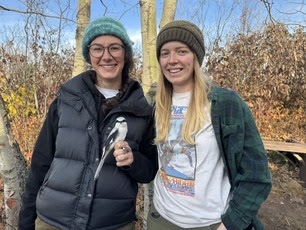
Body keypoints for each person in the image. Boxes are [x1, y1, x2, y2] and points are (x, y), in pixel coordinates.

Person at [18, 17, 158, 230]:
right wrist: (26, 221)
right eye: (97, 48)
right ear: (89, 55)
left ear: (126, 54)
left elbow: (150, 171)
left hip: (112, 224)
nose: (106, 56)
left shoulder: (142, 110)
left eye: (114, 48)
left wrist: (133, 160)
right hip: (53, 222)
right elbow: (40, 164)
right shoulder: (66, 99)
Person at [147, 20, 272, 230]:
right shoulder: (155, 103)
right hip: (161, 220)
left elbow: (257, 174)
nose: (172, 60)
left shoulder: (226, 105)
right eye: (165, 53)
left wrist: (231, 224)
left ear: (196, 56)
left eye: (181, 51)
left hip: (211, 223)